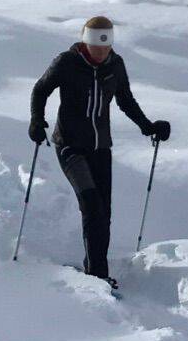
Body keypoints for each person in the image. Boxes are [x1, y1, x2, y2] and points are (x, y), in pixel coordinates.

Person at [29, 16, 170, 288]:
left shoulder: (115, 65)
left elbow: (125, 100)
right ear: (86, 43)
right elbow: (41, 89)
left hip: (100, 148)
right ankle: (97, 275)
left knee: (104, 213)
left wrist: (148, 126)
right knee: (92, 205)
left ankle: (98, 270)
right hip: (69, 146)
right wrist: (37, 120)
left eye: (106, 47)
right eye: (96, 47)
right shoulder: (67, 62)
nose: (102, 52)